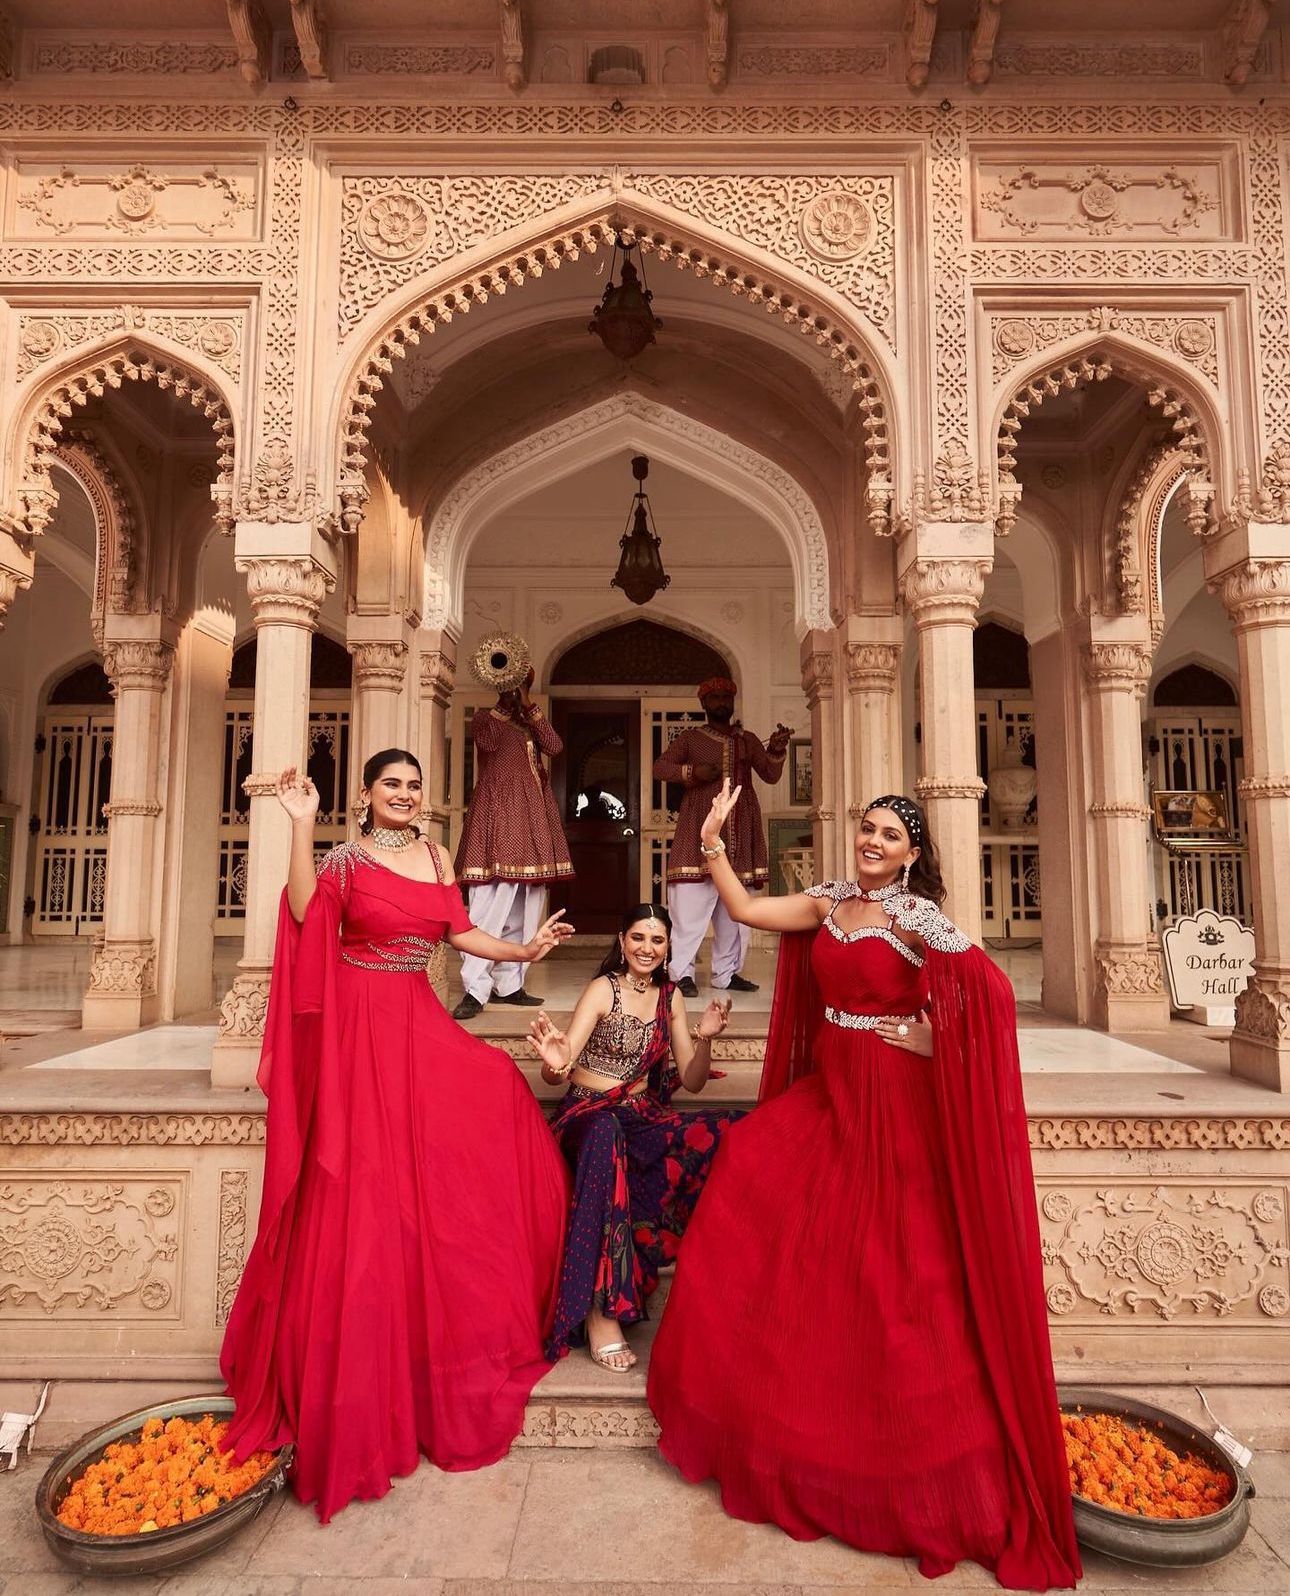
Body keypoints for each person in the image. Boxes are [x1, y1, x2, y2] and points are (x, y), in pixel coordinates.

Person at [647, 783, 1081, 1591]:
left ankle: (895, 1457)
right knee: (751, 1168)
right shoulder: (831, 900)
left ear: (912, 854)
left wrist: (936, 1040)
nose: (872, 841)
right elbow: (745, 909)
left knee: (890, 1262)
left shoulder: (918, 916)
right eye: (867, 828)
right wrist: (710, 843)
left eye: (888, 835)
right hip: (834, 1090)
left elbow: (988, 995)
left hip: (891, 1101)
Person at [220, 749, 574, 1522]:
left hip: (415, 1017)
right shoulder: (344, 861)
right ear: (367, 793)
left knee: (498, 1090)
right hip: (357, 1029)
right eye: (392, 785)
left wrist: (521, 952)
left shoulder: (438, 856)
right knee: (368, 1188)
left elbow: (460, 932)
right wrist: (302, 825)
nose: (406, 795)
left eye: (414, 785)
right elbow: (307, 915)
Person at [527, 903, 741, 1372]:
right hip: (588, 1115)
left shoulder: (671, 998)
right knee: (606, 1134)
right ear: (622, 942)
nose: (647, 948)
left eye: (657, 940)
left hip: (640, 1116)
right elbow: (558, 1068)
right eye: (638, 938)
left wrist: (705, 1039)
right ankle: (601, 1311)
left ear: (668, 948)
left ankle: (730, 1277)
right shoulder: (603, 989)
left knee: (735, 1130)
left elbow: (693, 1079)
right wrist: (555, 1063)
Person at [652, 677, 790, 996]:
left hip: (741, 832)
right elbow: (661, 767)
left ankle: (727, 974)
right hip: (697, 832)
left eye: (726, 697)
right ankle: (681, 974)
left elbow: (770, 774)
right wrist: (693, 773)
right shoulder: (690, 738)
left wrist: (776, 749)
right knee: (689, 909)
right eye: (714, 697)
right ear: (703, 704)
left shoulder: (747, 740)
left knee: (735, 911)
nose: (720, 702)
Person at [453, 668, 573, 1020]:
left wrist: (530, 706)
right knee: (488, 905)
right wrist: (505, 704)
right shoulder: (484, 719)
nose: (514, 689)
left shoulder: (532, 723)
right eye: (509, 683)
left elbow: (555, 746)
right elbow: (488, 743)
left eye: (520, 684)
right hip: (497, 815)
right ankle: (475, 988)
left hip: (533, 817)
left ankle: (510, 984)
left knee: (526, 905)